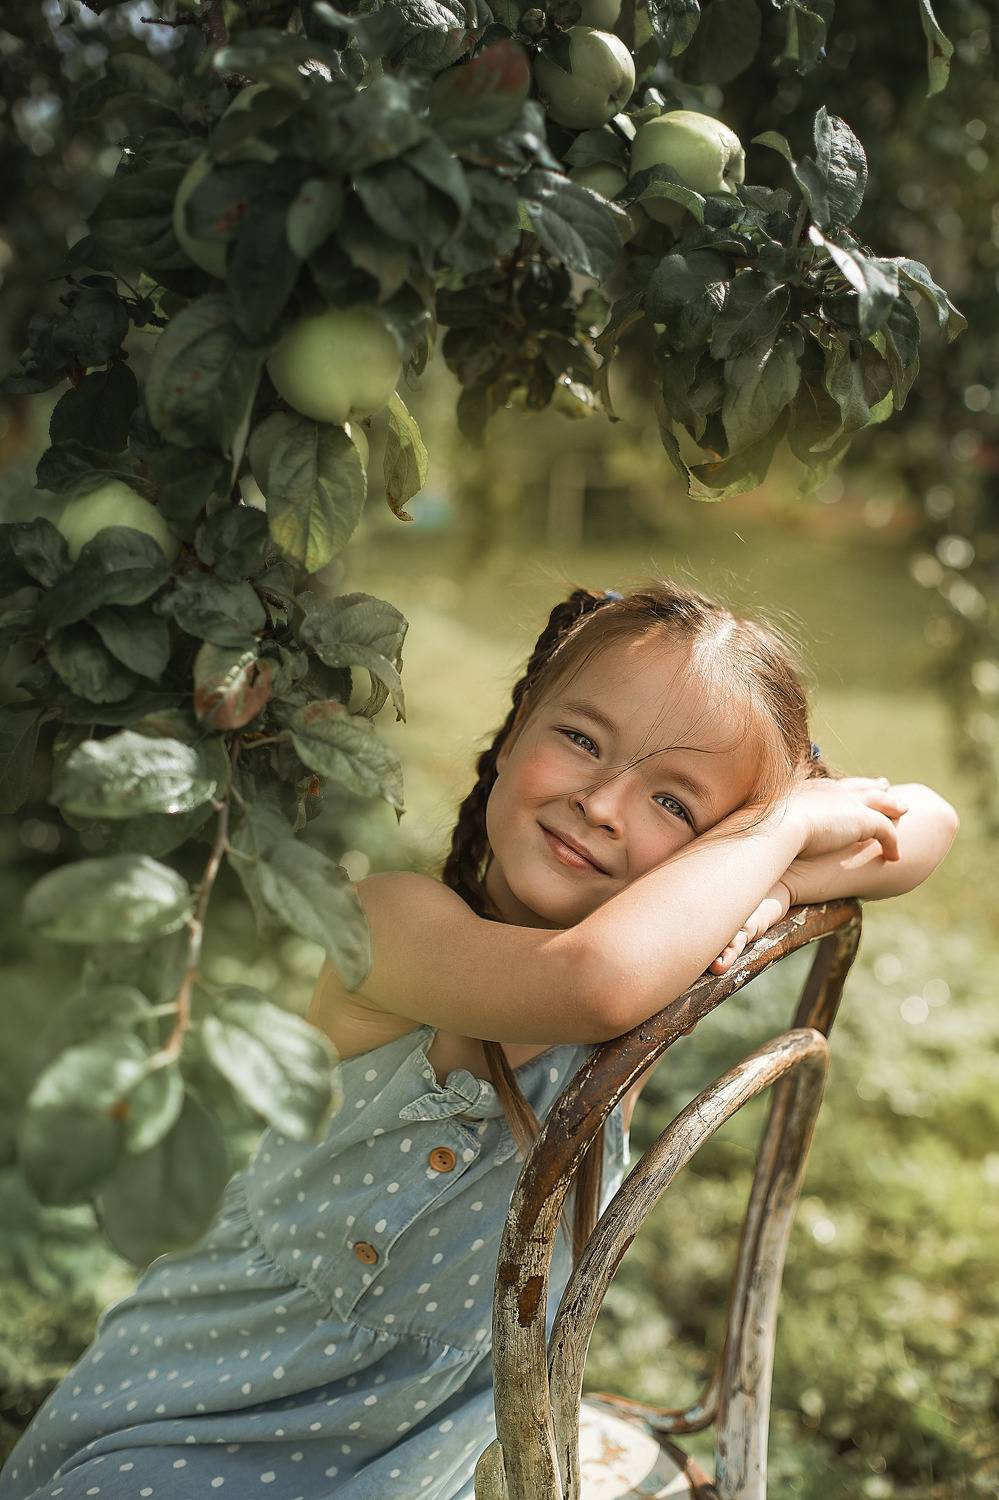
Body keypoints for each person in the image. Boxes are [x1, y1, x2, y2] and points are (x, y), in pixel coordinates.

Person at [0, 580, 959, 1500]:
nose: (603, 803)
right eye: (580, 740)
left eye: (675, 803)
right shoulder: (391, 924)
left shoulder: (661, 934)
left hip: (434, 1440)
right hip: (211, 1405)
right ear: (511, 734)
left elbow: (924, 823)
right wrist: (784, 828)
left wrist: (776, 876)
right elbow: (590, 982)